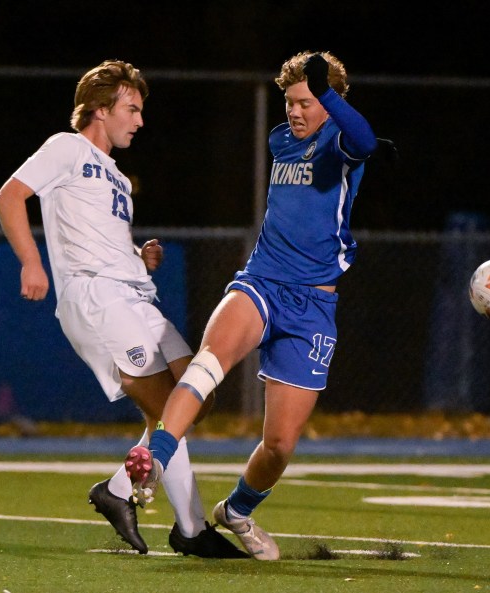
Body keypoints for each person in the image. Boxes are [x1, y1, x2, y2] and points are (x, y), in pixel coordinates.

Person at [124, 50, 379, 560]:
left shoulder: (343, 144)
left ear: (330, 101)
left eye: (306, 101)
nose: (295, 112)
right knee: (205, 366)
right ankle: (153, 460)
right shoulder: (281, 140)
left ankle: (236, 511)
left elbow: (367, 140)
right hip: (261, 282)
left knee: (281, 445)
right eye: (290, 102)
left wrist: (325, 92)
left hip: (313, 308)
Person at [0, 60, 247, 558]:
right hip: (97, 299)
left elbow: (97, 236)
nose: (139, 120)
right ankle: (191, 530)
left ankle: (116, 489)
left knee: (197, 396)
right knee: (164, 405)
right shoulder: (67, 147)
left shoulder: (117, 177)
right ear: (99, 109)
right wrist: (31, 262)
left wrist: (138, 258)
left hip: (135, 296)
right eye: (131, 109)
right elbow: (10, 196)